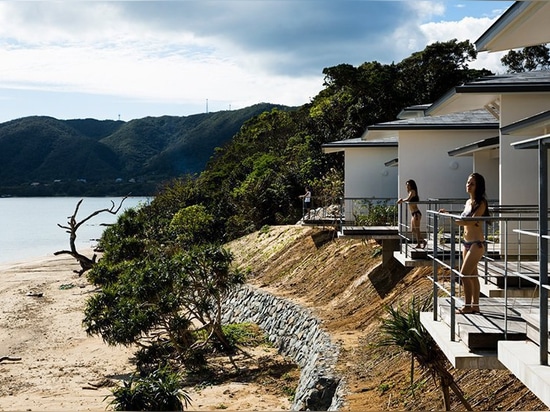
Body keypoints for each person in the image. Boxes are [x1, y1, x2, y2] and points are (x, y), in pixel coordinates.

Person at [441, 172, 489, 314]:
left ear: (478, 186)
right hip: (466, 243)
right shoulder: (468, 202)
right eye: (468, 182)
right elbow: (464, 220)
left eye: (472, 183)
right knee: (473, 276)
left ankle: (468, 306)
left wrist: (450, 216)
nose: (468, 185)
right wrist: (450, 215)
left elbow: (471, 221)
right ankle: (475, 305)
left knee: (464, 274)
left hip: (477, 244)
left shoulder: (481, 203)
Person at [397, 179, 426, 248]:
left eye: (408, 185)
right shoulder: (410, 192)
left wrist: (401, 200)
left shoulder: (412, 191)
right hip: (413, 213)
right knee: (413, 230)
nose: (407, 187)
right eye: (407, 185)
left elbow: (408, 199)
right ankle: (423, 241)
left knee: (417, 229)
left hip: (416, 213)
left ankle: (420, 243)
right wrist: (402, 200)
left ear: (411, 186)